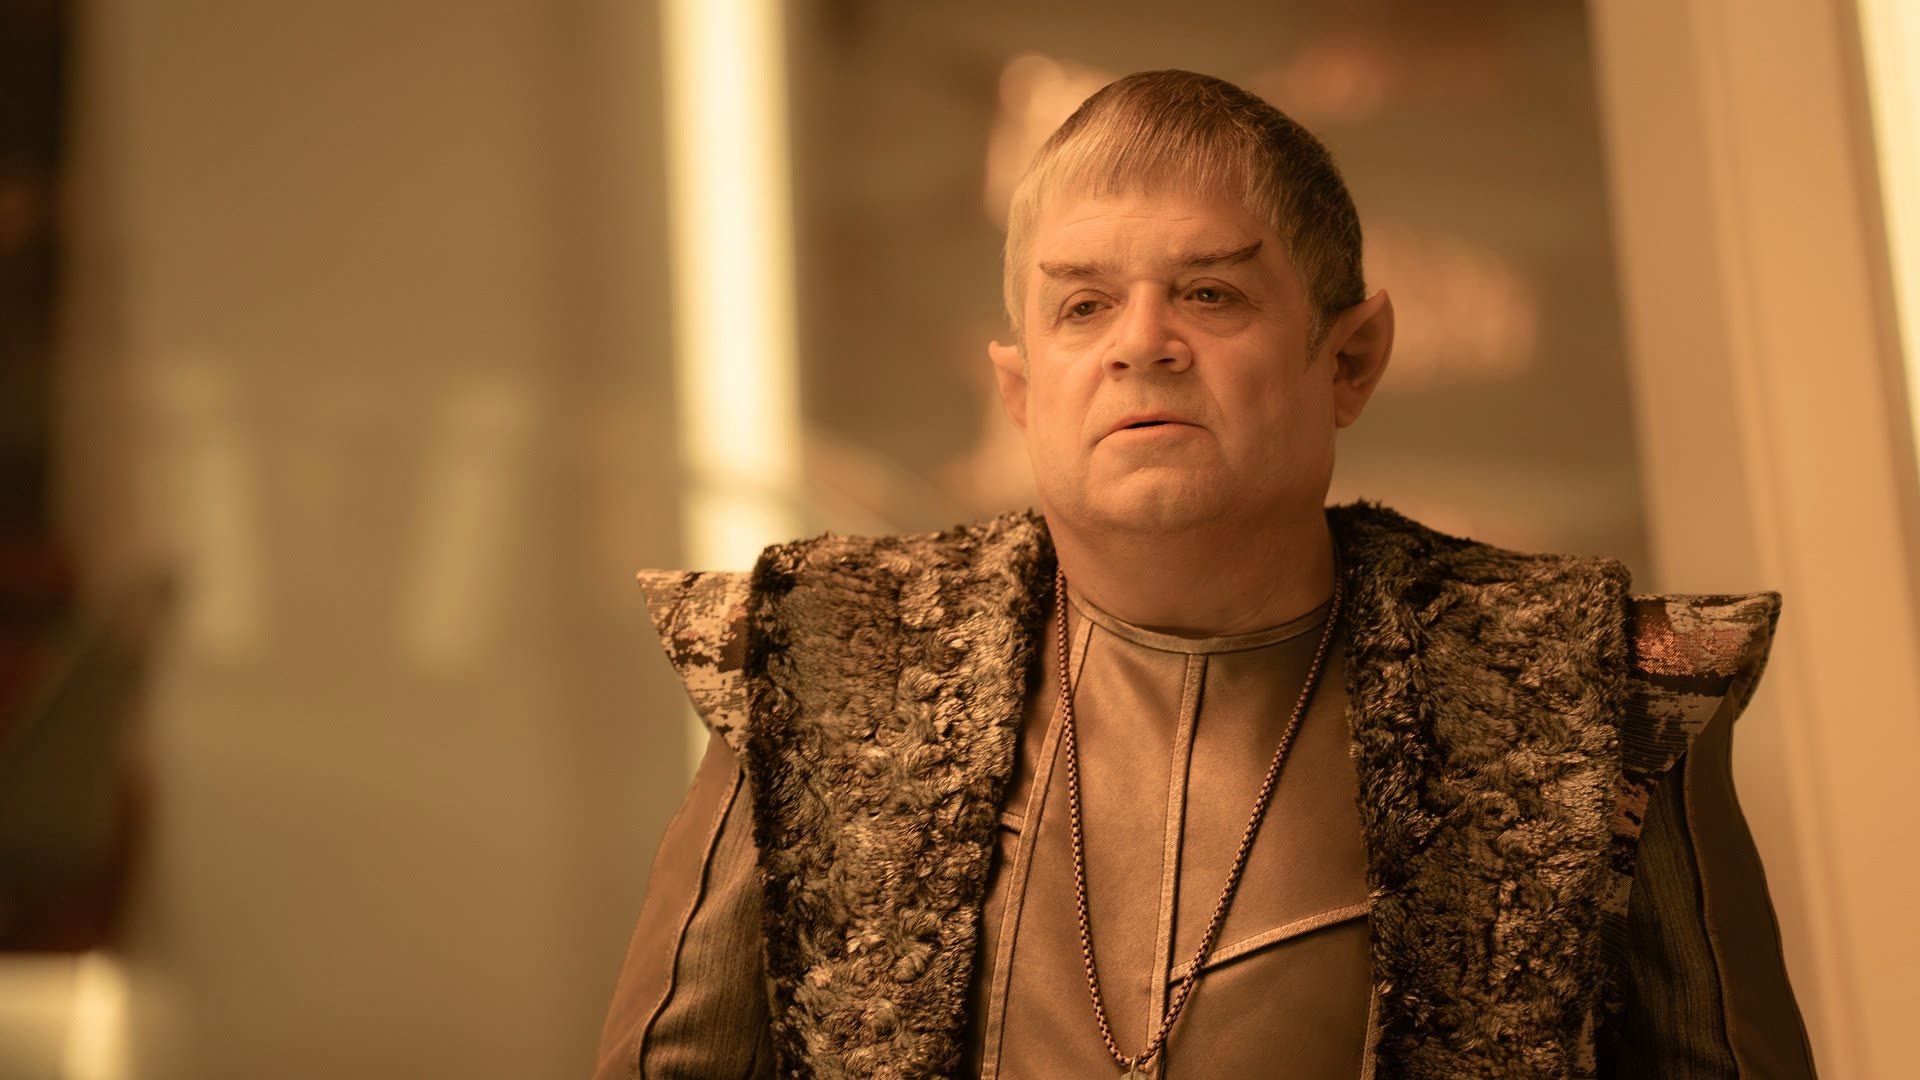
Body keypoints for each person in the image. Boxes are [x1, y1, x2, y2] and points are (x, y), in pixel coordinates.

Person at [593, 70, 1816, 1079]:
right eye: (1082, 307)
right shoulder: (830, 672)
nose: (1142, 345)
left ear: (1350, 359)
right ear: (1021, 388)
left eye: (1210, 293)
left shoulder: (1578, 695)